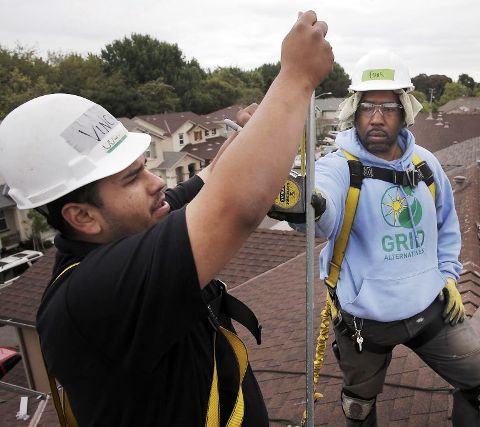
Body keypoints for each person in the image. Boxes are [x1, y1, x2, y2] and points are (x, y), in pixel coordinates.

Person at [0, 11, 333, 426]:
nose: (156, 182)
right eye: (132, 177)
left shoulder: (131, 227)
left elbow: (211, 180)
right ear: (83, 216)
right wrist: (296, 77)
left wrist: (252, 134)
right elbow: (233, 206)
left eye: (145, 166)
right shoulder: (91, 296)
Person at [274, 50, 480, 426]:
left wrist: (448, 276)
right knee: (358, 407)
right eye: (367, 107)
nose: (377, 118)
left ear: (405, 111)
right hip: (364, 321)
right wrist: (310, 204)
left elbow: (447, 226)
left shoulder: (426, 165)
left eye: (388, 107)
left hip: (428, 308)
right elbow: (323, 211)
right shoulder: (339, 167)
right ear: (354, 110)